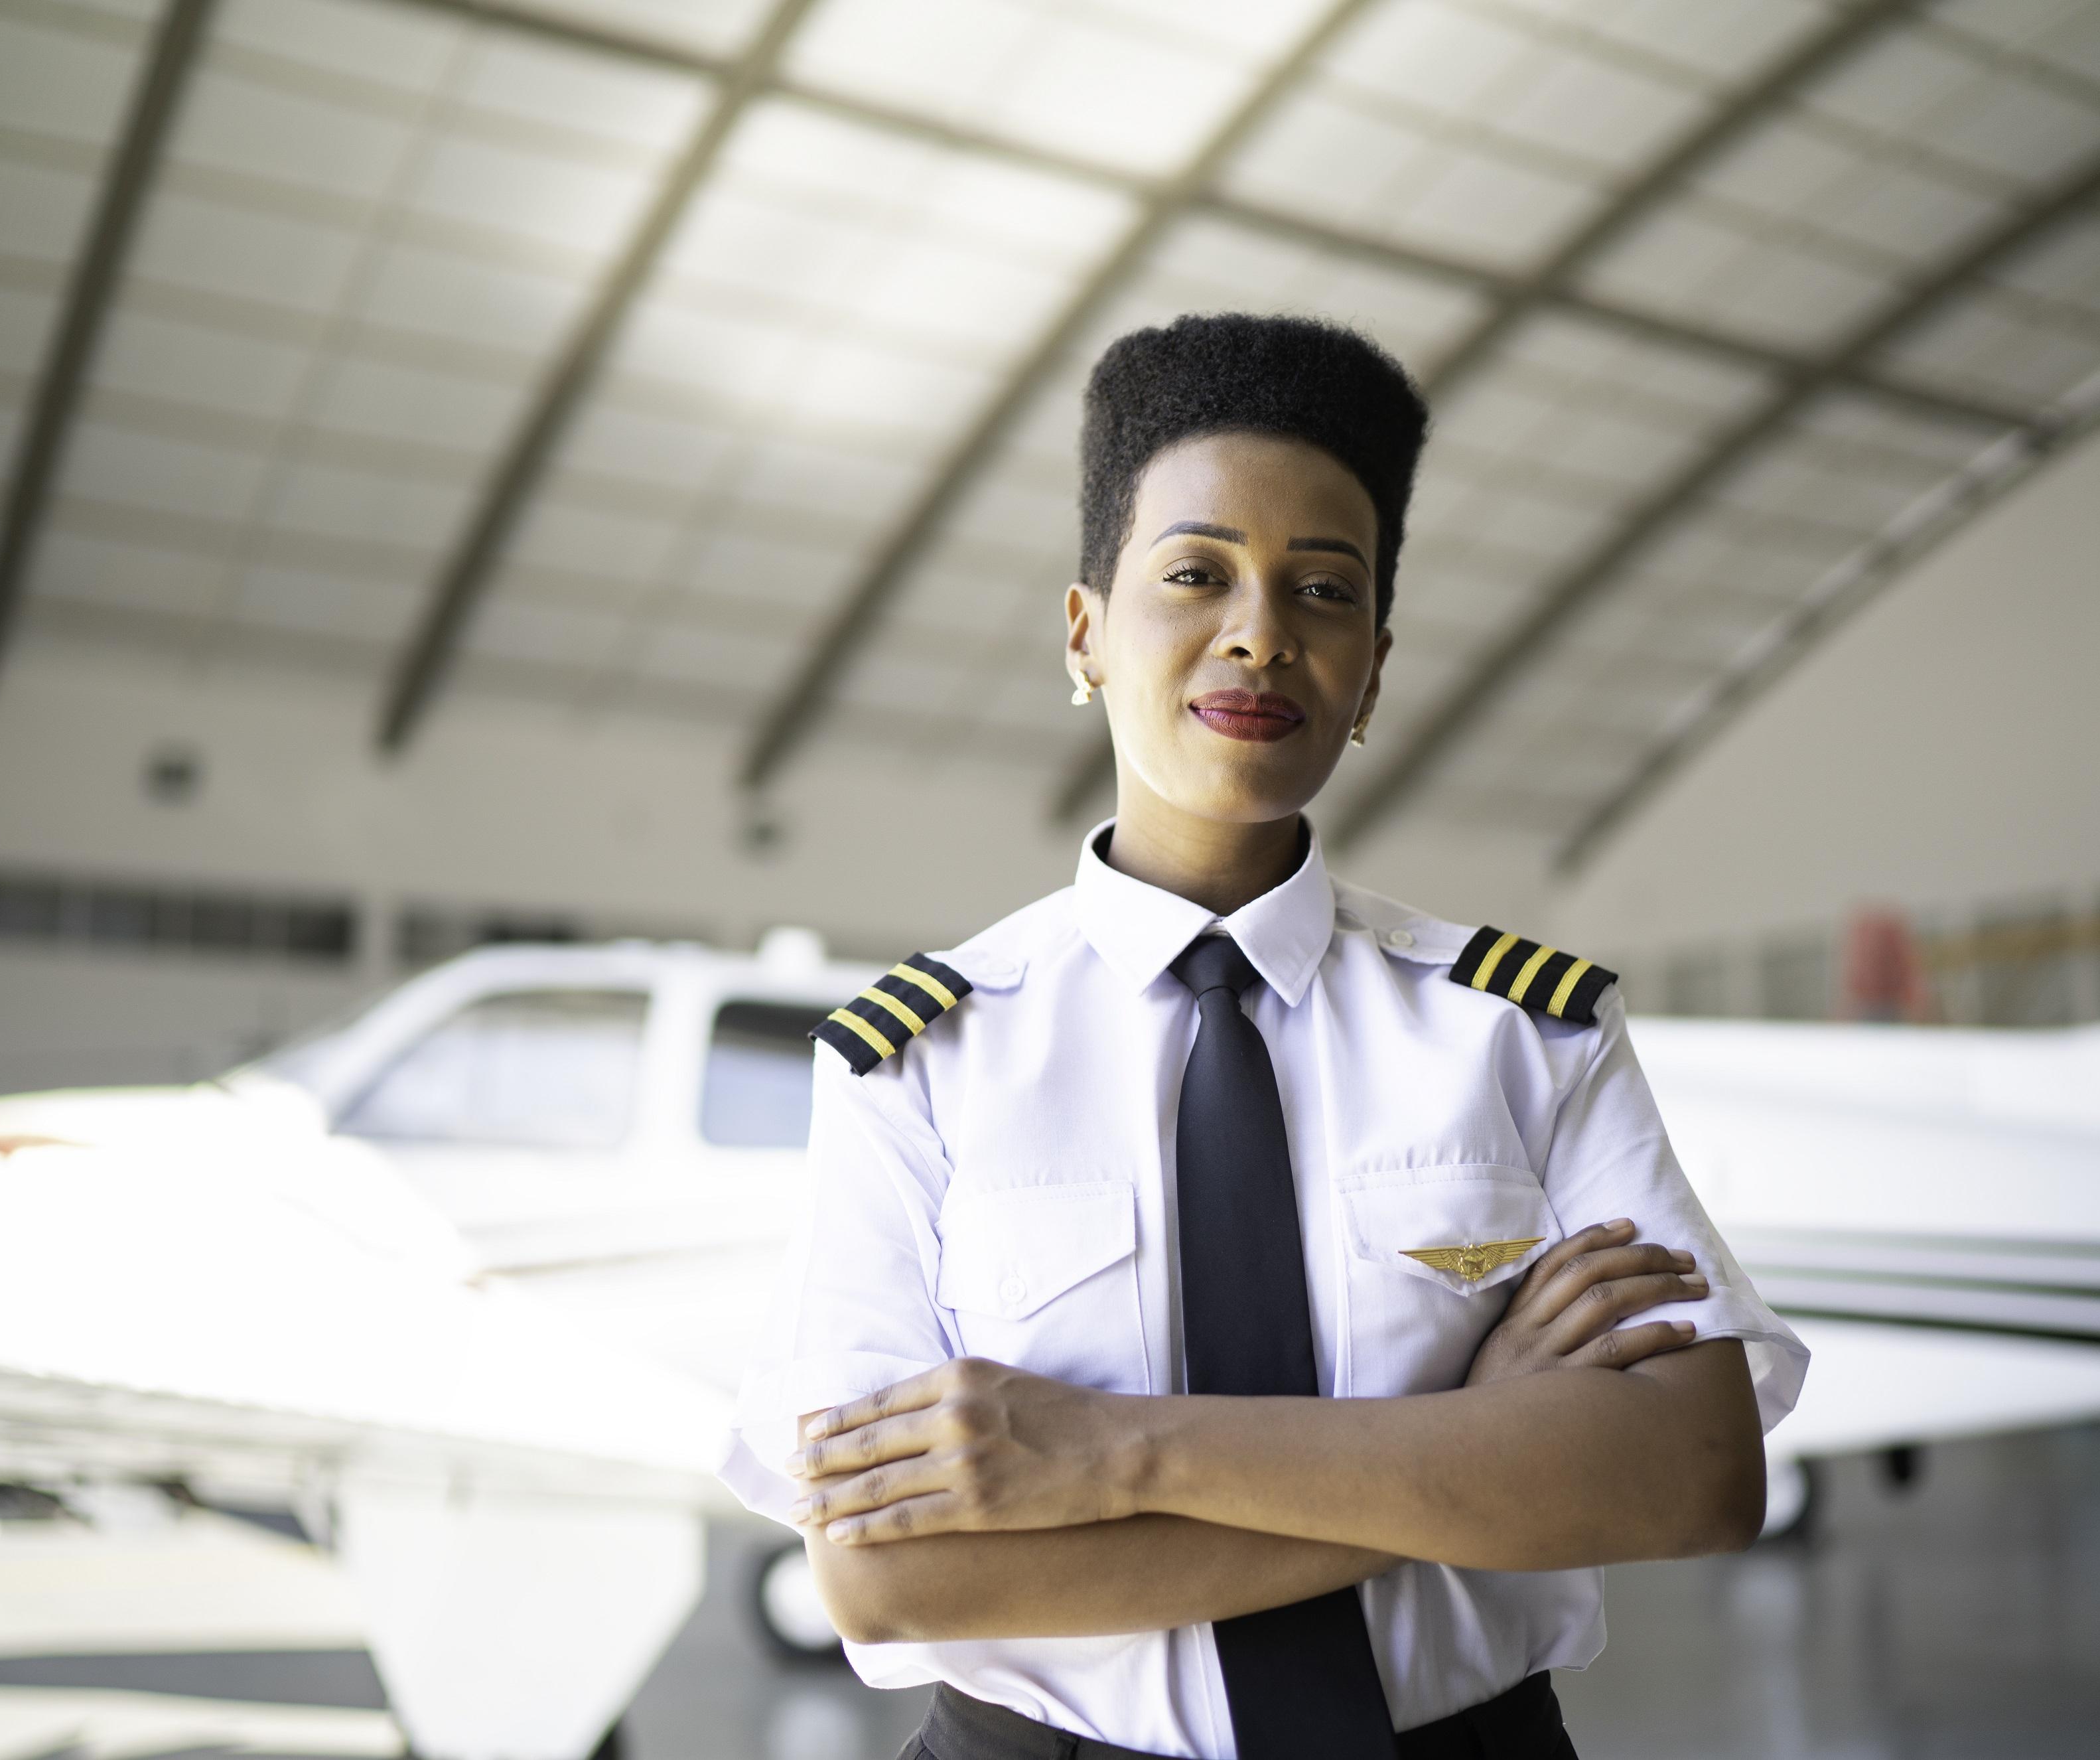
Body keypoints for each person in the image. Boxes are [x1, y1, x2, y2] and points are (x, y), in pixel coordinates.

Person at [721, 313, 1807, 1760]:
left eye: (1323, 590)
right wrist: (1467, 1446)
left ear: (1372, 671)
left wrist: (1108, 1454)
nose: (1259, 633)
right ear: (1084, 631)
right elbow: (888, 1576)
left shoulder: (1523, 1037)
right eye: (1193, 574)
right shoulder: (915, 1066)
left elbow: (1688, 1475)